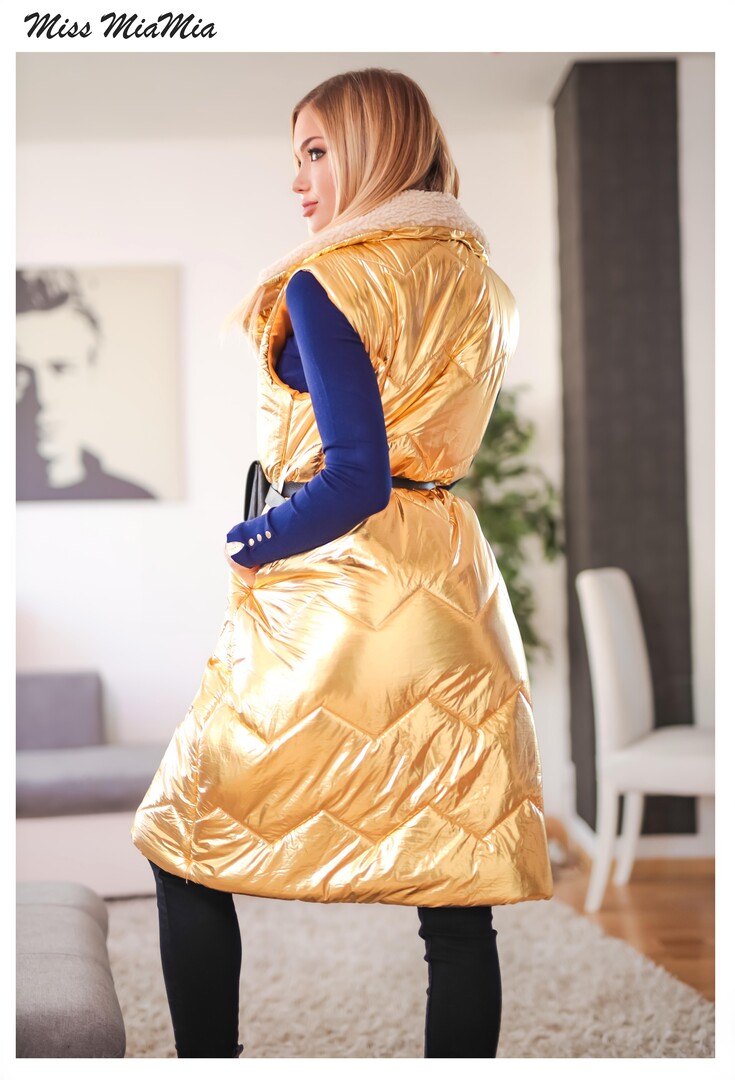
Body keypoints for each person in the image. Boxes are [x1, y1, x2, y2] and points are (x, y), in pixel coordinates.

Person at [132, 68, 554, 1059]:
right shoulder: (484, 286)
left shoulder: (328, 280)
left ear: (373, 148)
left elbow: (355, 478)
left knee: (181, 834)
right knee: (456, 894)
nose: (299, 181)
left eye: (317, 152)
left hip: (340, 592)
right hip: (450, 582)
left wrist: (251, 541)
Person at [16, 268, 156, 501]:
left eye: (62, 368)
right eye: (17, 373)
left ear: (93, 372)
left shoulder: (136, 501)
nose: (43, 397)